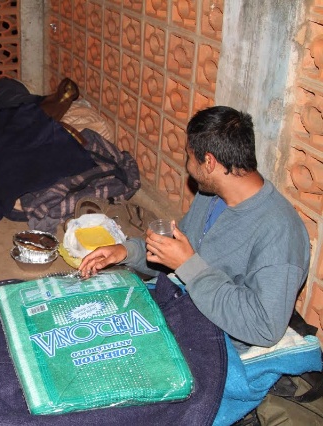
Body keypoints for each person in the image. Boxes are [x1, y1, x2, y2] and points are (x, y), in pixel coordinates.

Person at [78, 106, 311, 352]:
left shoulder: (280, 232)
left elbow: (265, 327)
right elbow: (177, 254)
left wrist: (189, 267)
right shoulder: (211, 196)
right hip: (179, 308)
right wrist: (125, 252)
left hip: (214, 346)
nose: (188, 166)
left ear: (209, 161)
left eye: (189, 156)